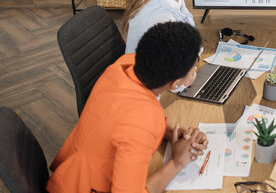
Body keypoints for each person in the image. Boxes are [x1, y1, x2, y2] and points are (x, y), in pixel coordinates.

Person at [47, 22, 209, 193]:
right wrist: (178, 162)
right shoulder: (144, 119)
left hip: (74, 174)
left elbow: (126, 119)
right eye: (194, 68)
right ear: (175, 83)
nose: (194, 71)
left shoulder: (125, 64)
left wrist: (171, 134)